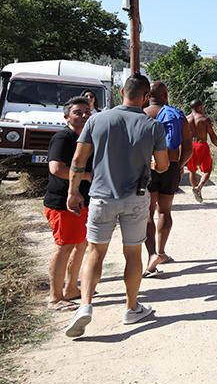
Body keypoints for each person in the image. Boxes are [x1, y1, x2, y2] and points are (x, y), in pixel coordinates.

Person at [64, 75, 169, 338]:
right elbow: (164, 165)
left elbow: (78, 159)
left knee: (94, 252)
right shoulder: (152, 126)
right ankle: (131, 308)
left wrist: (73, 191)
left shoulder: (97, 120)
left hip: (101, 196)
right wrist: (153, 165)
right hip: (135, 198)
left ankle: (86, 305)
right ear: (145, 97)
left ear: (122, 91)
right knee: (132, 254)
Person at [43, 97, 92, 311]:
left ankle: (72, 289)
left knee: (80, 244)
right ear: (66, 116)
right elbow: (56, 169)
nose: (82, 116)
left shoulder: (85, 138)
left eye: (86, 112)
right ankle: (55, 298)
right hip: (63, 203)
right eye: (77, 112)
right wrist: (86, 177)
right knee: (64, 247)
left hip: (80, 202)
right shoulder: (63, 138)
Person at [143, 81, 193, 277]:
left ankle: (151, 254)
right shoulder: (177, 115)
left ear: (147, 95)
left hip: (147, 168)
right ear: (166, 95)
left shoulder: (142, 114)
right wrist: (179, 165)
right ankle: (161, 251)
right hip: (170, 166)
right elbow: (188, 147)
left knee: (148, 212)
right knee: (164, 211)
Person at [186, 99, 217, 203]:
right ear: (198, 107)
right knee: (207, 170)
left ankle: (196, 190)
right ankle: (199, 188)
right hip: (201, 145)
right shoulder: (204, 119)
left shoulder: (185, 119)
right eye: (202, 107)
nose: (203, 109)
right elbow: (212, 135)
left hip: (190, 146)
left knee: (192, 171)